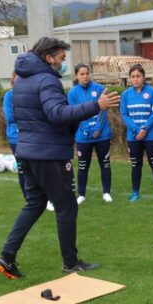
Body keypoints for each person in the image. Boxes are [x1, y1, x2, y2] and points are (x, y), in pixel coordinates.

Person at [0, 37, 120, 279]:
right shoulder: (47, 81)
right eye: (62, 58)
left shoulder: (21, 80)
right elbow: (57, 114)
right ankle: (71, 263)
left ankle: (6, 256)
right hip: (49, 155)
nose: (63, 63)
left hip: (27, 152)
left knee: (34, 203)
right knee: (66, 207)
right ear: (49, 57)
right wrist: (97, 105)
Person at [68, 64, 112, 204]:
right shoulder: (72, 93)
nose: (85, 76)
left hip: (102, 134)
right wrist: (86, 129)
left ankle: (106, 193)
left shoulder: (99, 88)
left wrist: (98, 128)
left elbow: (103, 111)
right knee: (82, 166)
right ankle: (81, 194)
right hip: (83, 136)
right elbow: (74, 114)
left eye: (87, 73)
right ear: (76, 76)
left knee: (105, 163)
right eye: (81, 74)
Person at [120, 65, 153, 202]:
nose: (135, 79)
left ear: (143, 77)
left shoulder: (152, 92)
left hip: (151, 135)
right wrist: (137, 130)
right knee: (136, 164)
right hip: (133, 136)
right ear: (130, 79)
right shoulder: (126, 94)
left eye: (138, 76)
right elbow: (124, 114)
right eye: (133, 77)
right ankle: (135, 192)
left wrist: (144, 129)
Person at [2, 72, 25, 197]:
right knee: (22, 169)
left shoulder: (30, 95)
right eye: (18, 78)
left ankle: (41, 197)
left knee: (36, 169)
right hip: (15, 138)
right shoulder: (9, 96)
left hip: (31, 136)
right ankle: (28, 198)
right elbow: (10, 117)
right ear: (13, 80)